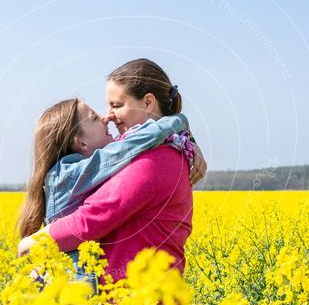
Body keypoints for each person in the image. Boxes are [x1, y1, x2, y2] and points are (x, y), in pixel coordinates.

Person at [19, 58, 202, 284]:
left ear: (148, 103)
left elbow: (93, 218)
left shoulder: (155, 160)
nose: (109, 116)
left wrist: (36, 242)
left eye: (116, 105)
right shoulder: (162, 151)